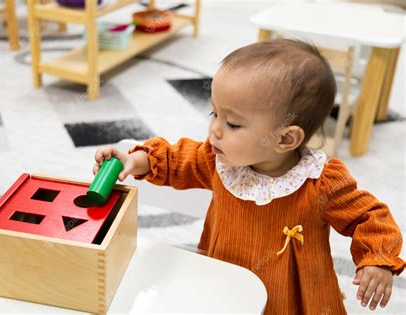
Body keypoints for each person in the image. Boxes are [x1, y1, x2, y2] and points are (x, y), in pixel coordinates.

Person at [93, 39, 405, 314]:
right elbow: (176, 160)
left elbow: (370, 217)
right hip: (224, 281)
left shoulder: (320, 182)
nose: (215, 129)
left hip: (290, 300)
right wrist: (136, 160)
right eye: (214, 113)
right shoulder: (217, 161)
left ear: (285, 139)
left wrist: (376, 260)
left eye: (234, 124)